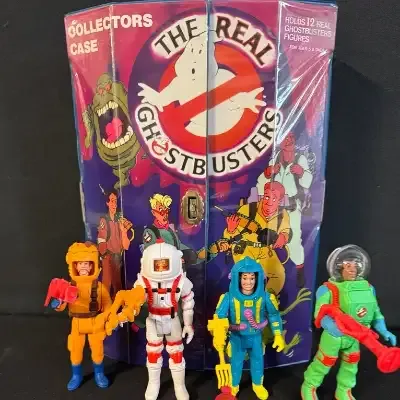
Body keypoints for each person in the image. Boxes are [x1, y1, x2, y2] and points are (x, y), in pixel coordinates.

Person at [301, 244, 397, 400]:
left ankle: (344, 390)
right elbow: (320, 313)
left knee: (351, 364)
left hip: (356, 336)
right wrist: (333, 327)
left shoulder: (368, 288)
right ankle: (309, 386)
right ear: (339, 268)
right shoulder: (328, 289)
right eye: (348, 265)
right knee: (325, 361)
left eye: (355, 265)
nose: (352, 269)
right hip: (334, 336)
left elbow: (375, 313)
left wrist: (384, 330)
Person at [208, 256, 285, 399]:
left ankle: (257, 385)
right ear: (237, 278)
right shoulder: (228, 298)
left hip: (256, 337)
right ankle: (234, 386)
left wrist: (278, 335)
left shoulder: (266, 297)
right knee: (235, 364)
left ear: (258, 279)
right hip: (237, 338)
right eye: (244, 278)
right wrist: (218, 334)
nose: (248, 282)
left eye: (252, 278)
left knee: (258, 362)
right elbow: (218, 317)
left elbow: (274, 315)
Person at [49, 242, 112, 391]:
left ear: (92, 266)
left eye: (86, 264)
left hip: (95, 322)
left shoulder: (99, 287)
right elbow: (62, 305)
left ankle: (99, 373)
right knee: (75, 350)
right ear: (75, 266)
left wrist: (107, 320)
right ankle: (76, 375)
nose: (83, 266)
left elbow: (108, 305)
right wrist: (58, 303)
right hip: (77, 323)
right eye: (80, 263)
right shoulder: (69, 286)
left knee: (97, 350)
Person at [257, 132, 313, 288]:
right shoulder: (275, 159)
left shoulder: (300, 159)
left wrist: (301, 172)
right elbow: (261, 182)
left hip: (292, 206)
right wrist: (268, 173)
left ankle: (299, 269)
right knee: (268, 238)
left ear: (294, 141)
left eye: (290, 138)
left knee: (293, 239)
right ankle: (267, 272)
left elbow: (308, 182)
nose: (287, 141)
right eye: (285, 138)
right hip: (273, 208)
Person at [217, 182, 291, 295]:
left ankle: (267, 299)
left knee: (279, 275)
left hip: (265, 250)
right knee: (249, 277)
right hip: (245, 248)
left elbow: (285, 231)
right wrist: (231, 230)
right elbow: (229, 238)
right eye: (267, 197)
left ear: (280, 201)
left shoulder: (282, 214)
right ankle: (246, 301)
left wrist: (283, 237)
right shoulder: (247, 210)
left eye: (274, 199)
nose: (269, 203)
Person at [97, 189, 132, 296]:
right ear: (107, 203)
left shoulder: (119, 220)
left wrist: (124, 231)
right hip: (107, 256)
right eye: (112, 201)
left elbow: (126, 246)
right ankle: (105, 303)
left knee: (118, 284)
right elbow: (101, 239)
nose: (114, 204)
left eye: (115, 201)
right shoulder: (104, 220)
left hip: (117, 256)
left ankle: (118, 303)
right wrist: (104, 256)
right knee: (107, 283)